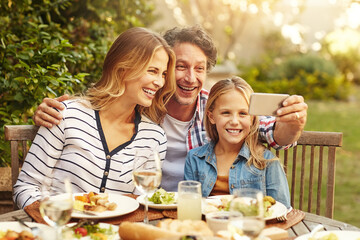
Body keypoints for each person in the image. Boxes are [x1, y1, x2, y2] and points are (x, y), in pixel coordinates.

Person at [31, 25, 308, 192]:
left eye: (199, 69)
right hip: (147, 208)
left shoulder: (217, 108)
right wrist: (48, 110)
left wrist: (292, 122)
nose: (190, 78)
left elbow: (271, 132)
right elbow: (101, 105)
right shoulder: (143, 103)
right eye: (181, 67)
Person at [13, 27, 177, 209]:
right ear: (123, 68)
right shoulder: (65, 115)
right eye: (152, 71)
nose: (160, 82)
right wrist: (51, 218)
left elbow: (141, 203)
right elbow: (26, 187)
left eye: (163, 74)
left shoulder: (154, 137)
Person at [184, 77, 291, 208]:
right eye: (226, 113)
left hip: (251, 226)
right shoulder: (194, 159)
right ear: (211, 117)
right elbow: (188, 206)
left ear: (252, 118)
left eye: (242, 113)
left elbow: (282, 210)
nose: (234, 121)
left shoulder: (267, 162)